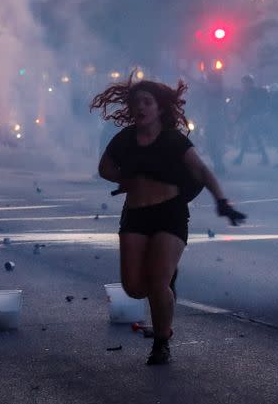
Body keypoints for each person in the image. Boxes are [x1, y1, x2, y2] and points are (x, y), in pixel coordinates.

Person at [91, 74, 246, 365]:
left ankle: (161, 342)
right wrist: (125, 178)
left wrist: (222, 201)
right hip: (136, 215)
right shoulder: (125, 139)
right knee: (134, 288)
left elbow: (202, 171)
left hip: (169, 215)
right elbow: (104, 167)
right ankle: (165, 284)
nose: (141, 107)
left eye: (147, 102)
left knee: (158, 282)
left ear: (159, 108)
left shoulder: (173, 140)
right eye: (136, 102)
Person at [232, 75, 270, 166]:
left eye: (245, 82)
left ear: (249, 83)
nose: (243, 85)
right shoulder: (246, 93)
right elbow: (243, 108)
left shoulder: (253, 93)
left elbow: (249, 107)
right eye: (243, 83)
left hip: (254, 118)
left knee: (247, 138)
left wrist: (239, 118)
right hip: (250, 119)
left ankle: (240, 158)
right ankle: (264, 157)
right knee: (255, 138)